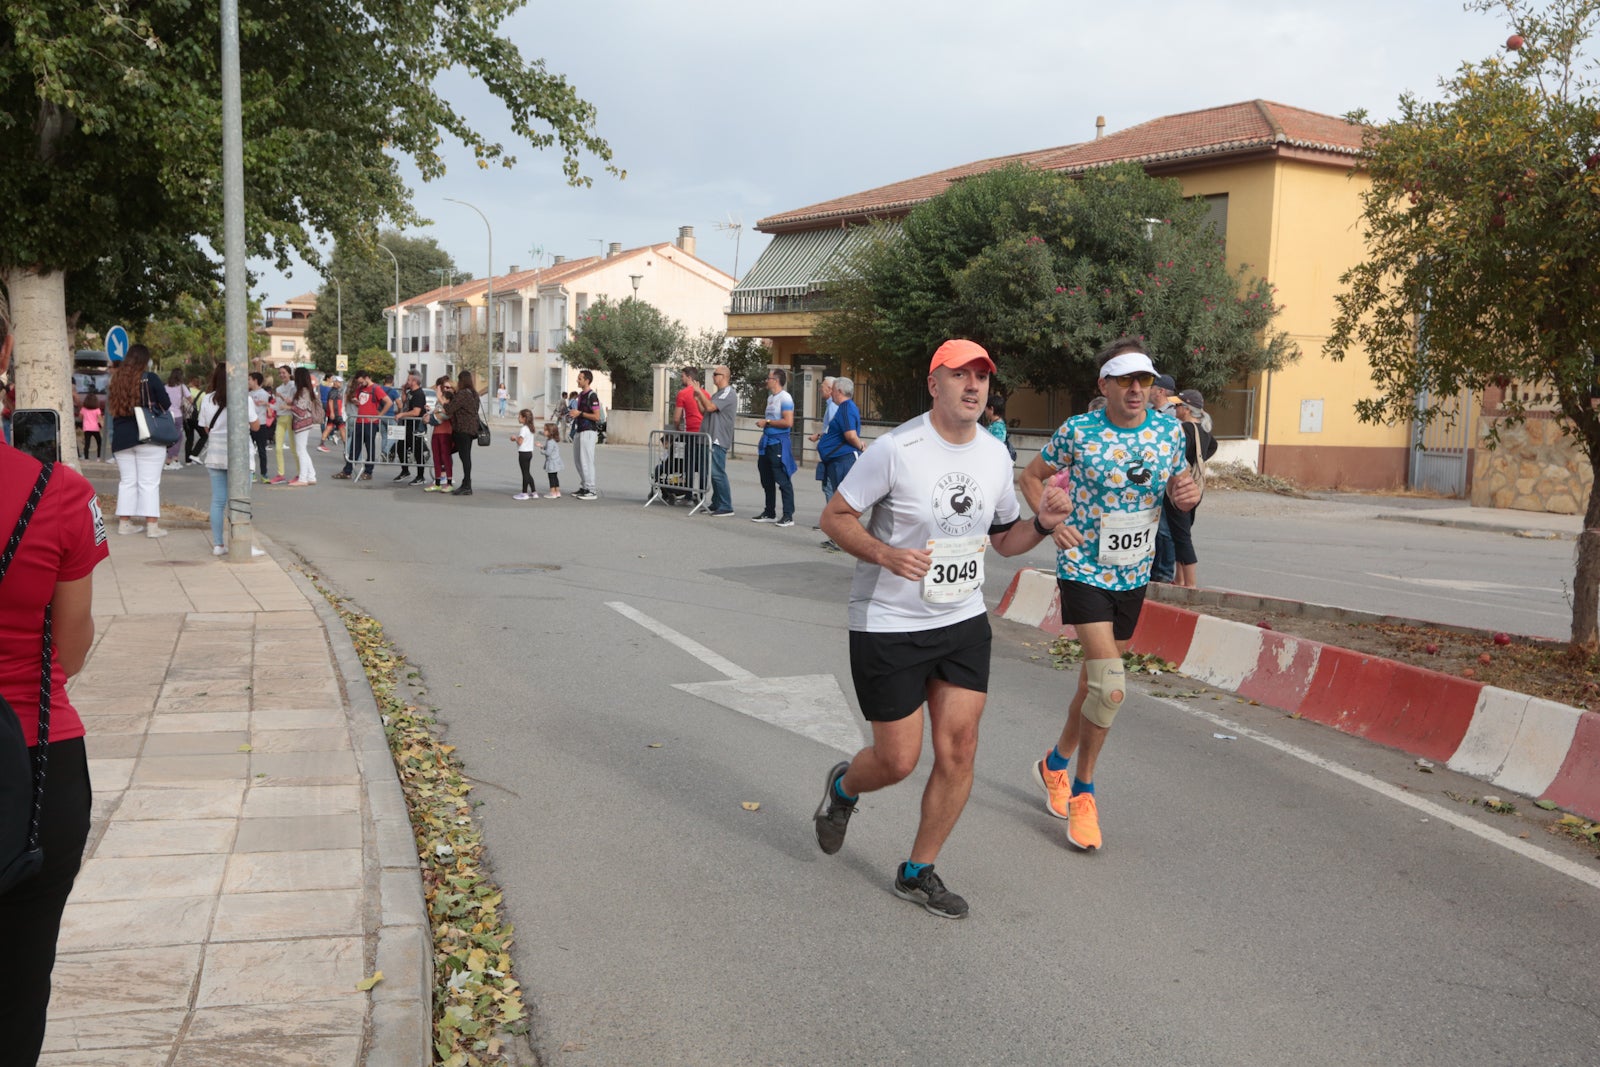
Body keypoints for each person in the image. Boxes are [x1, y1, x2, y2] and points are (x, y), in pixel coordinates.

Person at [813, 339, 1071, 919]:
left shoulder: (993, 456)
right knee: (897, 761)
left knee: (960, 748)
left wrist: (1042, 525)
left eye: (982, 377)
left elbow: (1004, 540)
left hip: (960, 619)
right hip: (889, 624)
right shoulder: (896, 450)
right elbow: (834, 516)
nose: (974, 386)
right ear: (935, 384)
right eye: (961, 375)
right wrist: (884, 554)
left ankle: (917, 870)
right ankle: (844, 789)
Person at [1017, 338, 1200, 852]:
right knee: (1113, 684)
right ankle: (1084, 791)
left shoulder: (1169, 431)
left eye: (1144, 379)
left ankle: (1052, 765)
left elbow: (1180, 486)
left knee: (1094, 682)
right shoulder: (1079, 431)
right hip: (1082, 566)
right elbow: (1031, 477)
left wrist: (1190, 494)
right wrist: (1050, 522)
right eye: (1125, 380)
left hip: (1133, 572)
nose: (1138, 389)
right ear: (1105, 385)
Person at [0, 436, 109, 1066]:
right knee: (14, 989)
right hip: (31, 768)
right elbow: (68, 652)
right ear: (5, 354)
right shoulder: (58, 492)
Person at [107, 344, 170, 538]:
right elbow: (166, 403)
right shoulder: (150, 379)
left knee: (127, 482)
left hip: (121, 438)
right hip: (148, 437)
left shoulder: (115, 379)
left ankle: (124, 523)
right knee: (149, 483)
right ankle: (152, 526)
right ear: (145, 361)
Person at [198, 364, 261, 554]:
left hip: (216, 454)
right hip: (240, 455)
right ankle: (242, 544)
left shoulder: (208, 399)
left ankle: (218, 545)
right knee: (241, 500)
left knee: (218, 501)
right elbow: (256, 426)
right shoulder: (243, 398)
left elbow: (205, 427)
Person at [1168, 391, 1217, 589]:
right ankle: (1180, 579)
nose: (1175, 409)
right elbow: (1213, 447)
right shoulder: (1203, 430)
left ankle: (1189, 584)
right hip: (1196, 487)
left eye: (1178, 406)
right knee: (1182, 531)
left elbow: (1174, 456)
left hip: (1181, 488)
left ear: (1188, 409)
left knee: (1181, 536)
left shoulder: (1186, 429)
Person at [815, 377, 863, 551]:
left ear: (840, 392)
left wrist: (861, 447)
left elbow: (850, 434)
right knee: (839, 498)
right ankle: (840, 538)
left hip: (843, 460)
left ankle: (846, 539)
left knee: (843, 501)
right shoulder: (845, 408)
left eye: (833, 389)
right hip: (837, 460)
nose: (831, 392)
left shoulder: (846, 408)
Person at [751, 367, 796, 527]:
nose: (767, 380)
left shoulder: (785, 398)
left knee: (782, 479)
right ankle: (769, 511)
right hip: (766, 443)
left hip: (778, 444)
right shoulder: (771, 398)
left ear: (776, 380)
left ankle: (788, 515)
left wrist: (767, 422)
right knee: (766, 478)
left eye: (769, 378)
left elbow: (788, 422)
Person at [693, 364, 738, 516]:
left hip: (718, 439)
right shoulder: (718, 394)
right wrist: (699, 397)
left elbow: (711, 407)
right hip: (709, 438)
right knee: (712, 473)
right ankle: (717, 502)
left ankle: (726, 505)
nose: (713, 377)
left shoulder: (728, 393)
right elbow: (704, 410)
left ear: (723, 376)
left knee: (718, 472)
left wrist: (700, 392)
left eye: (715, 374)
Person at [443, 370, 481, 497]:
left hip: (462, 429)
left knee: (465, 457)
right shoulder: (474, 393)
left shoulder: (463, 393)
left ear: (461, 381)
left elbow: (450, 409)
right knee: (465, 456)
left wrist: (443, 398)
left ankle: (467, 485)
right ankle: (466, 483)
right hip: (471, 429)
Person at [570, 370, 603, 500]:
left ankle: (591, 489)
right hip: (579, 430)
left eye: (580, 378)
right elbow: (578, 412)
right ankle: (584, 486)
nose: (577, 380)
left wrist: (580, 414)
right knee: (578, 461)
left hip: (589, 431)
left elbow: (597, 416)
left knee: (586, 461)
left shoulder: (592, 395)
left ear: (587, 380)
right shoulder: (580, 395)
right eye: (578, 378)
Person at [287, 367, 320, 486]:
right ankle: (311, 476)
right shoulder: (306, 390)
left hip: (302, 423)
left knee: (300, 450)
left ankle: (303, 478)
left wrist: (288, 407)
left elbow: (300, 410)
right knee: (302, 450)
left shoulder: (303, 391)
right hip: (304, 423)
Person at [392, 371, 427, 484]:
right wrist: (403, 390)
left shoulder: (419, 394)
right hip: (407, 426)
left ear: (415, 381)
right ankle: (405, 471)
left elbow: (416, 412)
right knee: (400, 447)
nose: (407, 381)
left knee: (417, 451)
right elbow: (404, 402)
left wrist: (402, 414)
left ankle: (420, 476)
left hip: (415, 427)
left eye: (409, 379)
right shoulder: (410, 392)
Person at [425, 376, 455, 492]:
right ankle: (437, 482)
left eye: (448, 387)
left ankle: (449, 482)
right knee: (436, 458)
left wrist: (434, 415)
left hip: (446, 433)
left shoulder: (451, 400)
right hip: (436, 432)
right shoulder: (440, 400)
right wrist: (429, 414)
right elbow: (436, 414)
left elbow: (446, 414)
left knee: (446, 458)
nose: (446, 389)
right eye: (444, 387)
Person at [269, 364, 297, 484]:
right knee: (278, 448)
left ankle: (300, 473)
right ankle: (281, 474)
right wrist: (266, 405)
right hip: (281, 418)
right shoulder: (279, 388)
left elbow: (292, 403)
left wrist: (281, 396)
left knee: (293, 448)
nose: (281, 375)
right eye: (280, 373)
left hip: (291, 417)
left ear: (289, 374)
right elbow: (277, 406)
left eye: (283, 372)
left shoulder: (294, 386)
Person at [247, 372, 274, 481]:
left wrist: (266, 405)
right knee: (249, 450)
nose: (248, 381)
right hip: (249, 425)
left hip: (261, 424)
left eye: (249, 379)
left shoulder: (264, 393)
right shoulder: (248, 394)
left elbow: (270, 406)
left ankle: (264, 473)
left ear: (255, 380)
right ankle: (251, 472)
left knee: (261, 450)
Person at [511, 408, 541, 499]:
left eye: (519, 416)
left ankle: (524, 493)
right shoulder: (531, 428)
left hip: (523, 453)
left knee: (525, 473)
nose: (518, 418)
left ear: (524, 418)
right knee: (527, 472)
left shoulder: (523, 429)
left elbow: (520, 442)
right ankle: (534, 491)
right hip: (529, 453)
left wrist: (514, 438)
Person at [163, 370, 188, 468]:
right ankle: (172, 459)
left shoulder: (165, 387)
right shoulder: (182, 387)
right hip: (178, 415)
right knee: (178, 437)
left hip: (167, 415)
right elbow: (190, 398)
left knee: (170, 437)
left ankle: (171, 459)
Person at [319, 374, 346, 452]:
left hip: (335, 414)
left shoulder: (335, 390)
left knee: (328, 428)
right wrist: (332, 413)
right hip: (336, 414)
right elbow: (330, 401)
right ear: (335, 382)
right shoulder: (334, 391)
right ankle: (346, 448)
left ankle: (321, 444)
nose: (340, 384)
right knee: (342, 429)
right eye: (339, 382)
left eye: (341, 382)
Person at [540, 422, 563, 498]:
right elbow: (548, 448)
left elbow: (548, 452)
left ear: (551, 432)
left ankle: (552, 492)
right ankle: (557, 491)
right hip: (556, 462)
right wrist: (541, 446)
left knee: (551, 477)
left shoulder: (550, 442)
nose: (544, 431)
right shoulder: (552, 440)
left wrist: (542, 451)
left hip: (552, 463)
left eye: (545, 430)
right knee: (555, 477)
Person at [79, 392, 103, 461]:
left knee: (87, 443)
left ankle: (86, 458)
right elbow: (100, 418)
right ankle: (98, 457)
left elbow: (80, 417)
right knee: (99, 442)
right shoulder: (97, 409)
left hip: (87, 428)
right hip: (95, 428)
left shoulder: (83, 409)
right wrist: (102, 425)